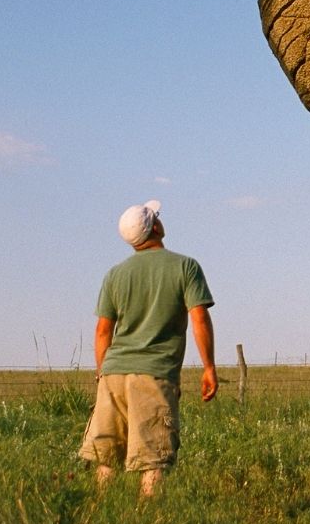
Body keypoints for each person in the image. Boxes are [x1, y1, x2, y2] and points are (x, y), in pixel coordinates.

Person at [78, 199, 217, 496]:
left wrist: (102, 374)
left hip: (113, 374)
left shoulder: (115, 274)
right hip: (154, 375)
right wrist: (209, 368)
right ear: (156, 227)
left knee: (106, 456)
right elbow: (200, 319)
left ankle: (102, 516)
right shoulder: (186, 266)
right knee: (154, 458)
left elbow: (103, 331)